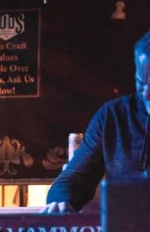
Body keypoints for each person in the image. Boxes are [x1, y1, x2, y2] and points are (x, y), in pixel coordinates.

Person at [44, 30, 150, 213]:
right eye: (141, 83)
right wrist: (61, 200)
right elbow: (76, 176)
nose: (147, 94)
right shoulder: (113, 117)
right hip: (125, 228)